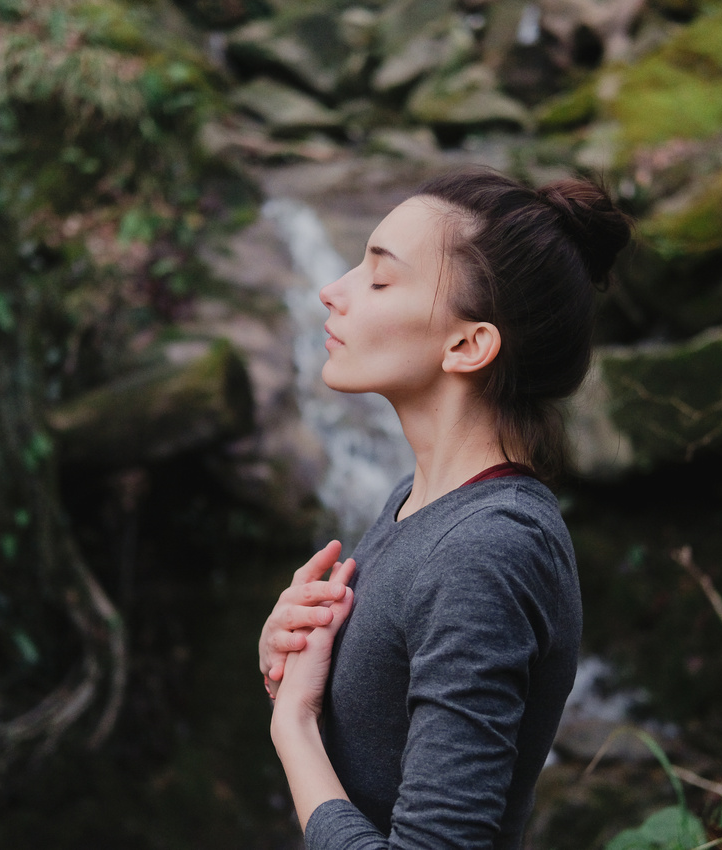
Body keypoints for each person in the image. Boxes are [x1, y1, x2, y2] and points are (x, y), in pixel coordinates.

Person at [258, 167, 632, 849]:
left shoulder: (486, 550)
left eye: (378, 278)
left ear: (468, 345)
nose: (332, 292)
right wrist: (295, 663)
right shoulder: (419, 502)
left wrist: (295, 728)